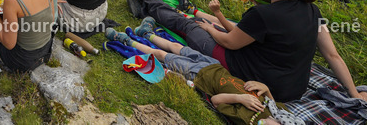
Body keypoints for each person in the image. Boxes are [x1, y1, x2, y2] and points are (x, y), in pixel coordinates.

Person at [125, 0, 367, 107]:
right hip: (291, 89)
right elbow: (332, 55)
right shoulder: (312, 9)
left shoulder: (263, 13)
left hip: (253, 76)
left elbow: (228, 42)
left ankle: (147, 1)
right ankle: (189, 8)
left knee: (189, 27)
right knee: (231, 24)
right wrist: (354, 93)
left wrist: (207, 28)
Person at [105, 28, 301, 125]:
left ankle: (126, 41)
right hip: (216, 68)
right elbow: (272, 100)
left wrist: (240, 98)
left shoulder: (246, 118)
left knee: (164, 56)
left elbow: (216, 101)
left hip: (200, 77)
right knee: (178, 48)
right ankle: (147, 34)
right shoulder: (275, 111)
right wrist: (265, 89)